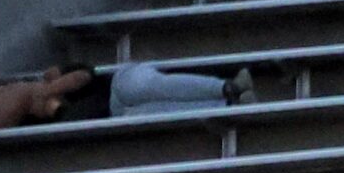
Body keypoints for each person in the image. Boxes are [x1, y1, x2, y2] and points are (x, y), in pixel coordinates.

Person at [110, 60, 258, 117]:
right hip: (113, 116)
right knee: (143, 114)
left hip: (114, 81)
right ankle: (230, 105)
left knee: (146, 86)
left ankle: (229, 87)